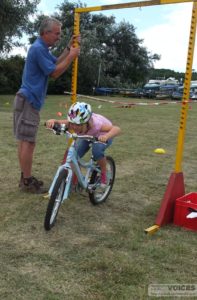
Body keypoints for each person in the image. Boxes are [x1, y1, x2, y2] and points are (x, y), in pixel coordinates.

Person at [13, 17, 81, 194]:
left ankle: (25, 178)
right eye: (57, 33)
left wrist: (68, 49)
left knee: (24, 141)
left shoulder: (41, 48)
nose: (58, 37)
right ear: (46, 32)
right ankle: (27, 181)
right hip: (29, 100)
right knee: (28, 142)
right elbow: (55, 73)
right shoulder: (37, 48)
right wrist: (72, 56)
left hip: (26, 99)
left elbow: (55, 62)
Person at [46, 102, 121, 188]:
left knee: (97, 151)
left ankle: (104, 173)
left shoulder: (97, 125)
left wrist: (106, 136)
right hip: (87, 136)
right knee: (75, 155)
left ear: (87, 122)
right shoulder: (74, 122)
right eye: (72, 123)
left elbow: (116, 128)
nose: (74, 127)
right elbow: (63, 122)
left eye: (78, 125)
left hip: (103, 135)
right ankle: (74, 180)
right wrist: (54, 121)